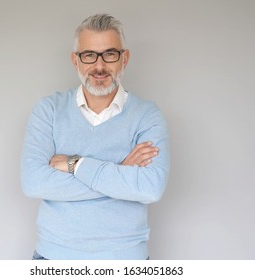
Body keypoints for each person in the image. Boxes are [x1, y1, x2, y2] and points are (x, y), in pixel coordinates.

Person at [21, 13, 170, 260]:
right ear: (75, 60)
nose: (99, 66)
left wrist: (76, 164)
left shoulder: (147, 115)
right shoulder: (49, 110)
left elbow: (150, 188)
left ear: (125, 59)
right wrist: (121, 170)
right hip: (54, 258)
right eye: (89, 55)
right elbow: (34, 182)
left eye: (109, 54)